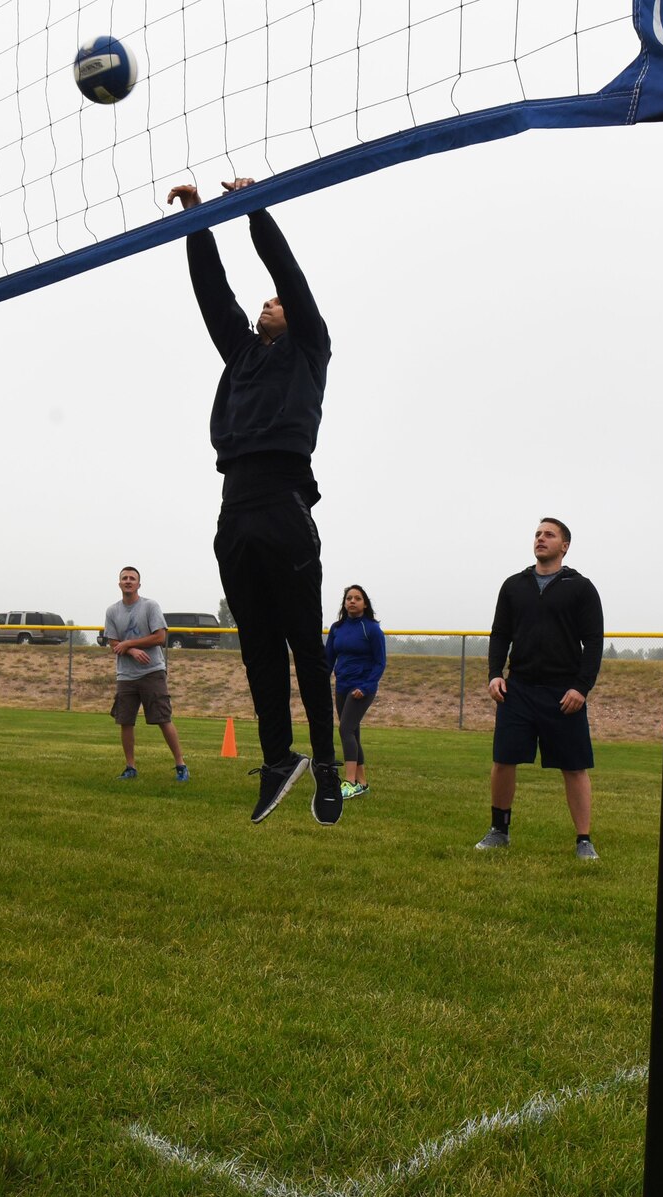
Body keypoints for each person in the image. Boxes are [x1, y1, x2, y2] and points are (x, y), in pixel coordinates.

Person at [167, 176, 340, 825]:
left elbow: (289, 277)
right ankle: (278, 759)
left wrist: (253, 211)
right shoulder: (241, 355)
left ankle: (325, 763)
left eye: (274, 303)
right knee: (258, 649)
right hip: (233, 510)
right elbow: (214, 295)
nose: (267, 305)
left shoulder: (310, 350)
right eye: (263, 302)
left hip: (284, 503)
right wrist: (199, 219)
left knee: (304, 646)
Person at [477, 519, 604, 857]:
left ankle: (584, 841)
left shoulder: (581, 587)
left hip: (564, 693)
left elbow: (593, 642)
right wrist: (494, 674)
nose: (540, 539)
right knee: (503, 761)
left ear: (565, 546)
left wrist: (582, 687)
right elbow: (500, 634)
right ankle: (498, 831)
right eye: (537, 534)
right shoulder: (514, 585)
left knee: (574, 766)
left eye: (549, 535)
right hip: (518, 689)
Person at [103, 566, 189, 783]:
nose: (128, 581)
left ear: (139, 584)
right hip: (126, 675)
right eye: (125, 578)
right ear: (119, 583)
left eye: (132, 578)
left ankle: (180, 765)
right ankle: (130, 767)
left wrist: (130, 643)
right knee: (125, 721)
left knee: (163, 718)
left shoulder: (150, 606)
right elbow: (113, 642)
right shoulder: (112, 611)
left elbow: (160, 637)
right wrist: (130, 650)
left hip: (152, 672)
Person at [325, 584, 386, 800]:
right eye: (349, 598)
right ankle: (362, 783)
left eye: (357, 598)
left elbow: (380, 662)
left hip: (361, 689)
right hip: (342, 686)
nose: (352, 601)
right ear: (344, 603)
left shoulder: (371, 629)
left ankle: (349, 782)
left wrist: (366, 686)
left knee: (345, 730)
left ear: (365, 603)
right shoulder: (337, 628)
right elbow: (329, 659)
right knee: (353, 733)